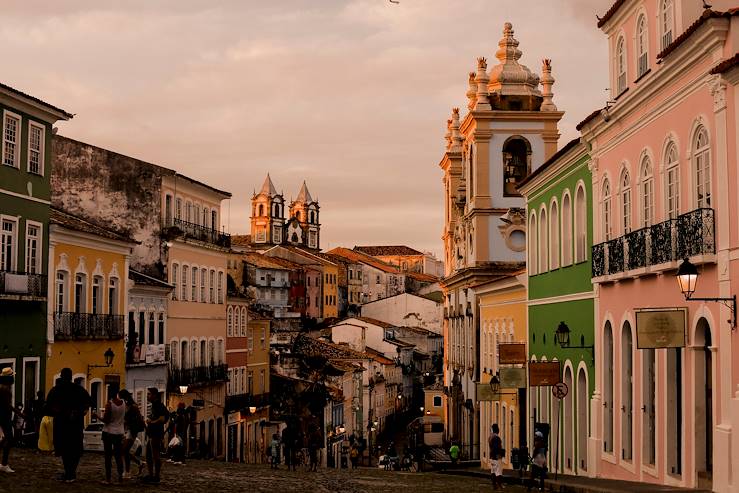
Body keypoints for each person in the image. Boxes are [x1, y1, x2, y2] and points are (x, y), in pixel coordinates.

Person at [46, 367, 92, 483]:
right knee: (75, 450)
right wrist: (79, 414)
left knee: (65, 450)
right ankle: (71, 472)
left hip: (62, 425)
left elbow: (49, 407)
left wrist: (62, 413)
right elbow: (87, 406)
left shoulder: (56, 390)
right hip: (76, 425)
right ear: (71, 376)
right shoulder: (80, 390)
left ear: (61, 376)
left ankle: (69, 472)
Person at [97, 389, 125, 484]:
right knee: (118, 456)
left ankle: (108, 478)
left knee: (108, 457)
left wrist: (96, 416)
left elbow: (106, 420)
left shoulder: (109, 404)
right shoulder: (123, 403)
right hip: (119, 432)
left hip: (108, 432)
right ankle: (120, 477)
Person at [143, 387, 168, 484]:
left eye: (149, 394)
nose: (147, 396)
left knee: (155, 455)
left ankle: (156, 476)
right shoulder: (154, 405)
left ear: (154, 395)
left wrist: (151, 421)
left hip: (156, 433)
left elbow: (162, 418)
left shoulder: (159, 406)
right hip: (151, 433)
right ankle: (151, 475)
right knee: (149, 455)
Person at [0, 368, 22, 473]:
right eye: (12, 376)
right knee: (9, 439)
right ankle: (4, 463)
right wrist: (19, 413)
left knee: (5, 440)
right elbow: (7, 406)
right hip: (4, 417)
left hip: (4, 416)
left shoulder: (4, 388)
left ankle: (3, 463)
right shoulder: (5, 390)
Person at [119, 389, 145, 478]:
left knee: (125, 450)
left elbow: (139, 418)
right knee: (124, 450)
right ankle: (139, 463)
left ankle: (128, 471)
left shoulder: (133, 406)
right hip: (126, 429)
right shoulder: (126, 405)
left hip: (132, 430)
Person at [489, 424, 504, 490]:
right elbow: (496, 448)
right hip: (497, 456)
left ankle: (494, 485)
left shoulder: (490, 437)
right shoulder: (496, 438)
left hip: (492, 456)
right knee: (498, 472)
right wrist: (499, 453)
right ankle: (499, 485)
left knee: (493, 471)